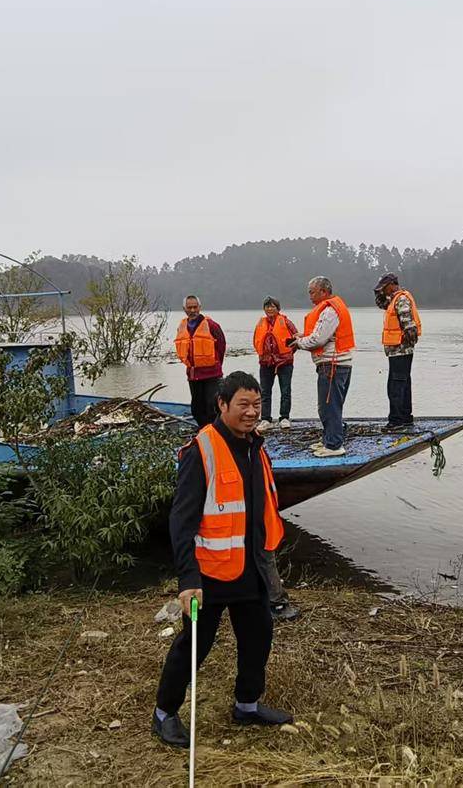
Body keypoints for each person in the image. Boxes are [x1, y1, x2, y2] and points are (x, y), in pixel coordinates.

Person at [152, 372, 294, 748]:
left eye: (257, 405)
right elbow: (181, 521)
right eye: (243, 405)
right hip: (209, 574)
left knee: (258, 637)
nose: (251, 413)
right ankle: (165, 713)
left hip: (249, 569)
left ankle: (246, 705)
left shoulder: (254, 446)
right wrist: (188, 579)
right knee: (194, 646)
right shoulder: (202, 451)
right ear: (222, 405)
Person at [288, 276, 355, 457]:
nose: (309, 295)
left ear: (323, 291)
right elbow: (322, 334)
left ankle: (334, 445)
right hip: (338, 364)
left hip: (333, 364)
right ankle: (328, 440)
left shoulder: (330, 310)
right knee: (330, 405)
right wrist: (302, 336)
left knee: (329, 406)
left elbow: (319, 339)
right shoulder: (330, 308)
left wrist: (299, 343)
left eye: (312, 291)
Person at [374, 273, 421, 431]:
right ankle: (406, 418)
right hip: (399, 349)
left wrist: (407, 340)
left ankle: (396, 421)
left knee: (396, 386)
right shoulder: (394, 299)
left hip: (400, 349)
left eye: (385, 287)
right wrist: (379, 294)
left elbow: (408, 323)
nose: (384, 291)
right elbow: (383, 304)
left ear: (392, 285)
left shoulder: (401, 299)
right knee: (403, 383)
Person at [174, 295, 225, 427]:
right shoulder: (182, 326)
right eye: (189, 307)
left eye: (195, 307)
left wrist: (217, 365)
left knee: (212, 406)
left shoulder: (212, 325)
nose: (192, 310)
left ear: (199, 307)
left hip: (212, 374)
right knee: (197, 407)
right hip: (193, 374)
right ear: (184, 309)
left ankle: (215, 431)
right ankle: (203, 430)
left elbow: (221, 346)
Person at [253, 296, 298, 432]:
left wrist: (288, 354)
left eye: (273, 306)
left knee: (285, 391)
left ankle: (284, 417)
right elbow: (255, 340)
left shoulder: (286, 322)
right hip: (266, 363)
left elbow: (296, 339)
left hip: (285, 362)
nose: (270, 309)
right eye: (267, 306)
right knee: (265, 391)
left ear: (278, 308)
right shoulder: (260, 323)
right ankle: (265, 419)